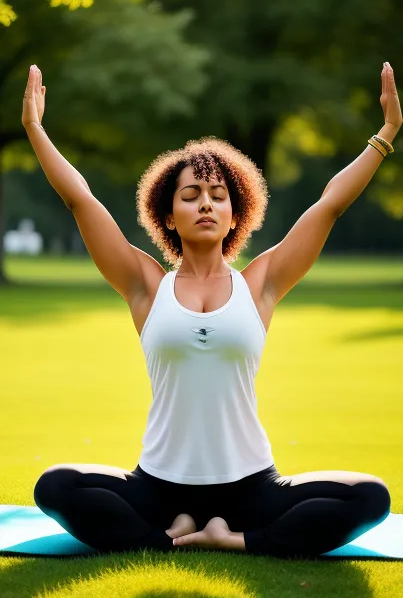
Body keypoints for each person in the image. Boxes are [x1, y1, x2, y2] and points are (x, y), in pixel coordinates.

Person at [23, 63, 401, 558]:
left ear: (233, 213)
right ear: (168, 215)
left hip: (249, 486)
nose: (206, 204)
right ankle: (166, 534)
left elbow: (328, 205)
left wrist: (386, 133)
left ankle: (234, 539)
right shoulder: (145, 286)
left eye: (218, 196)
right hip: (159, 485)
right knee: (55, 486)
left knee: (370, 497)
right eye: (191, 195)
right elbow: (80, 199)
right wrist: (34, 128)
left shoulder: (261, 284)